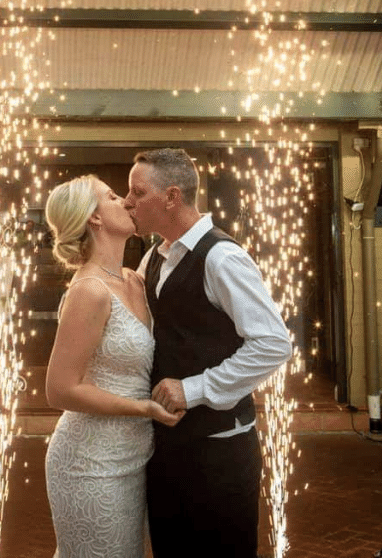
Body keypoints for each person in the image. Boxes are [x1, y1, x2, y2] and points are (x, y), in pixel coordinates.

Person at [124, 148, 293, 558]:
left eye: (136, 191)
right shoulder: (152, 257)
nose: (128, 201)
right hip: (167, 447)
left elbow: (273, 342)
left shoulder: (223, 257)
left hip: (219, 454)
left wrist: (196, 388)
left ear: (171, 197)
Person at [44, 175, 183, 558]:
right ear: (94, 219)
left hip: (137, 456)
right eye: (111, 196)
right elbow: (59, 390)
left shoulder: (135, 280)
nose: (124, 201)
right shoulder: (90, 291)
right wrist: (144, 408)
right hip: (89, 463)